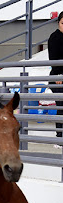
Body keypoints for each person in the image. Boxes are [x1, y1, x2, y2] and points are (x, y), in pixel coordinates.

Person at [48, 11, 63, 140]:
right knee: (61, 106)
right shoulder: (54, 37)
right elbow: (53, 59)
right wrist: (58, 75)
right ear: (58, 23)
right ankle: (60, 136)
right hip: (57, 77)